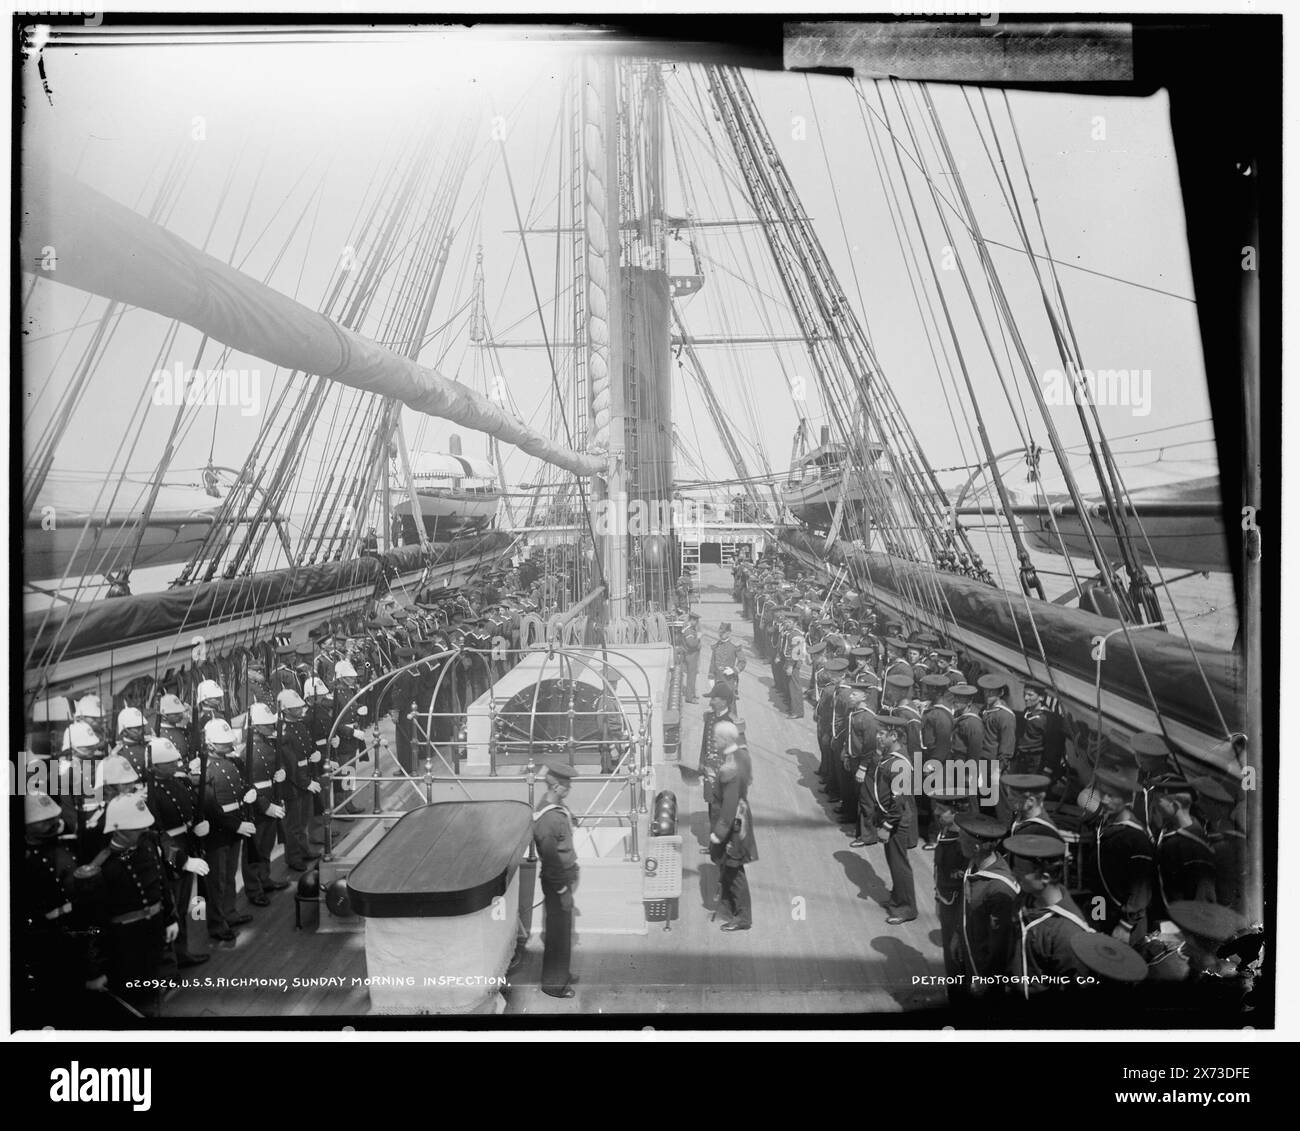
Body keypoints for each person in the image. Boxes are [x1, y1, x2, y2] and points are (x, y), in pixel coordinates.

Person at [1004, 834, 1094, 1006]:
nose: (1013, 874)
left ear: (1045, 877)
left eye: (1021, 871)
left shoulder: (1068, 933)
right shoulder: (1024, 899)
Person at [1084, 766, 1154, 945]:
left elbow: (1140, 890)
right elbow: (1098, 884)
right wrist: (1096, 920)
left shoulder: (1136, 838)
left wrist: (1125, 925)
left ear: (1127, 801)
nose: (1105, 800)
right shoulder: (1104, 825)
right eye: (1103, 794)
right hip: (1102, 911)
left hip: (1127, 922)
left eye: (1112, 796)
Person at [955, 812, 1019, 1002]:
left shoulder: (1000, 889)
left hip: (986, 972)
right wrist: (958, 937)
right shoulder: (974, 865)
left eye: (961, 839)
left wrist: (987, 979)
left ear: (975, 847)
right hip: (971, 952)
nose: (958, 842)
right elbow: (966, 907)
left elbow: (1001, 945)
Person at [533, 763, 580, 998]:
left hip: (564, 877)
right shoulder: (549, 820)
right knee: (558, 934)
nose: (569, 788)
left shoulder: (554, 808)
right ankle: (554, 985)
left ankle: (561, 974)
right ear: (556, 785)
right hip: (557, 881)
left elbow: (561, 811)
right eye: (566, 785)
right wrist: (563, 891)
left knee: (562, 930)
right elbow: (551, 862)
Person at [709, 723, 757, 932]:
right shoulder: (742, 756)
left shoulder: (729, 768)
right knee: (730, 868)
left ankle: (743, 917)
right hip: (742, 817)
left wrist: (719, 834)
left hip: (733, 826)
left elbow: (728, 806)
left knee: (733, 869)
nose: (714, 741)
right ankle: (730, 908)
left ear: (726, 740)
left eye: (716, 738)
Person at [871, 714, 918, 924]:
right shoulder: (891, 755)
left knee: (900, 864)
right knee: (893, 862)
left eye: (882, 733)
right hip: (889, 818)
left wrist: (887, 826)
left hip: (896, 822)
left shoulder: (899, 763)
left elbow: (897, 803)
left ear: (894, 735)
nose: (877, 737)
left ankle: (907, 908)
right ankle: (898, 898)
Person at [679, 612, 702, 704]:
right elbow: (691, 643)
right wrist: (699, 638)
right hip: (691, 655)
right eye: (696, 621)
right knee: (691, 677)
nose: (697, 623)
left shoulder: (689, 629)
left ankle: (692, 693)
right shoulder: (689, 631)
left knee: (692, 676)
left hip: (691, 655)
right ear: (692, 620)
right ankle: (689, 697)